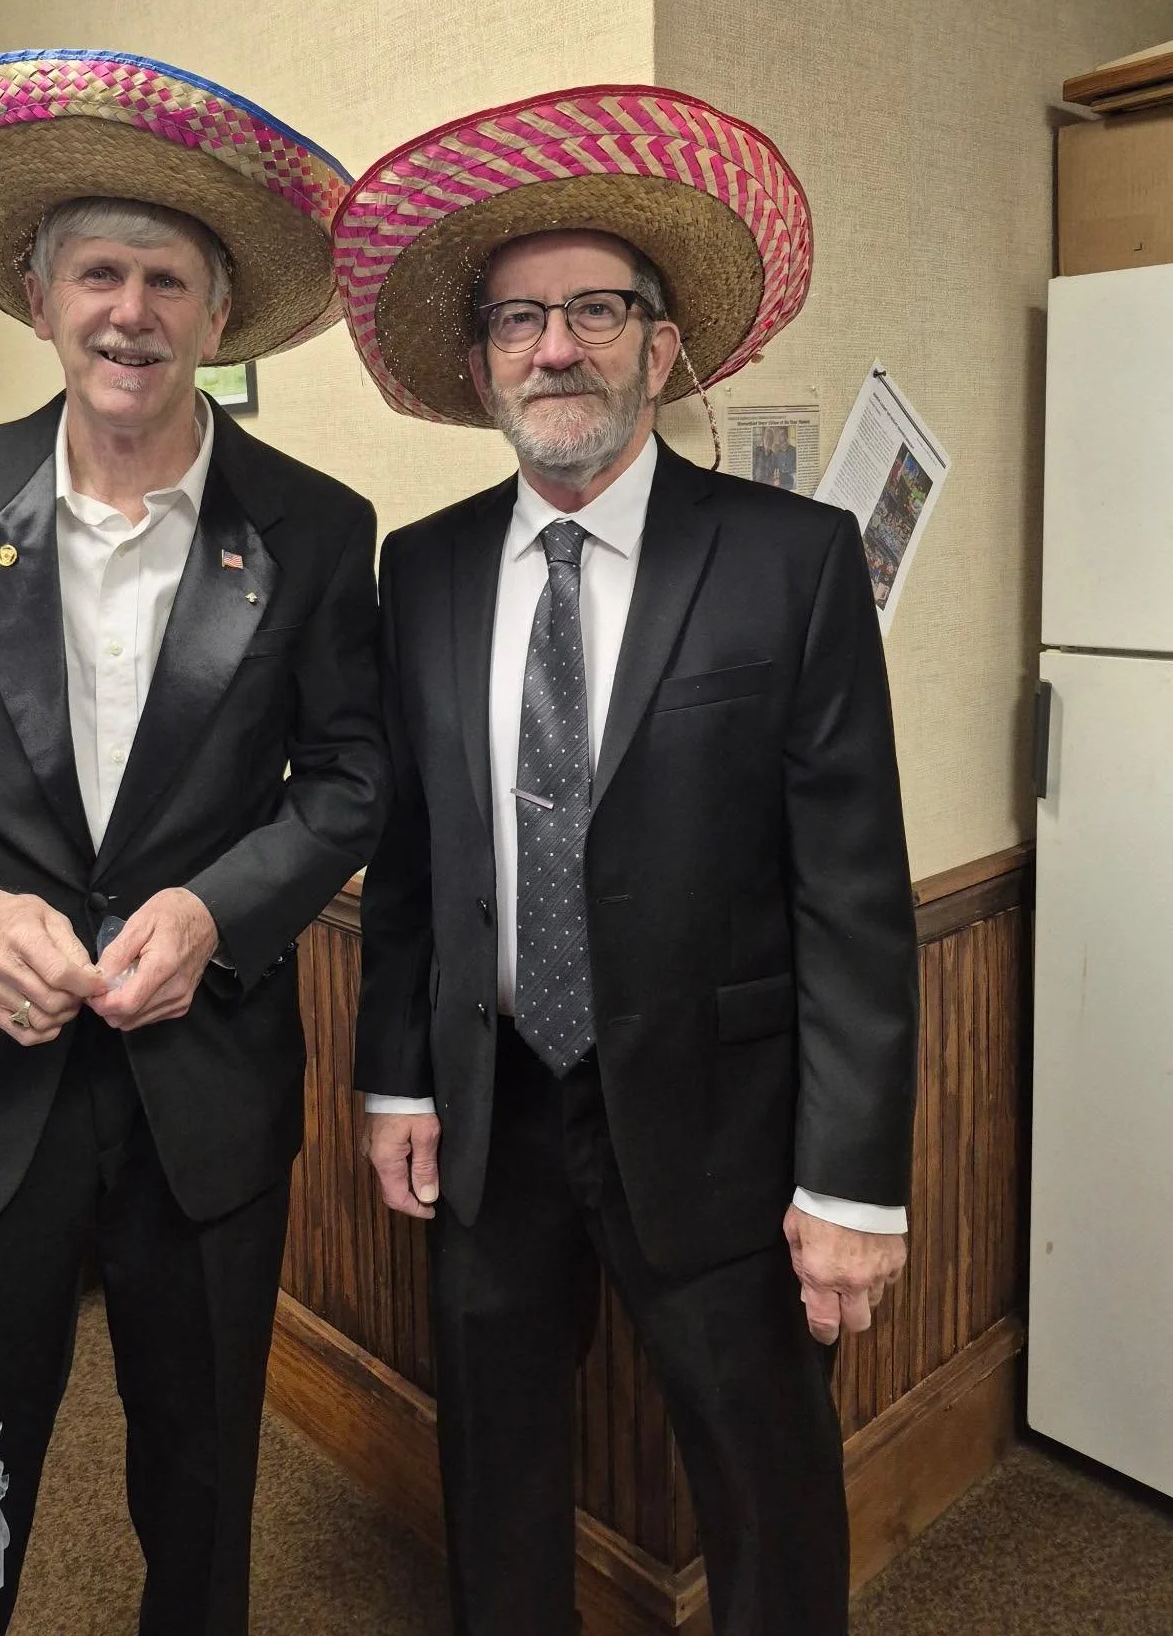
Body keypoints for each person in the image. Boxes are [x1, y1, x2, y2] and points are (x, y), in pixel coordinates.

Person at [0, 49, 389, 1634]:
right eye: (99, 275)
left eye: (168, 281)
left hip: (204, 1096)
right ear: (40, 294)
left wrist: (216, 911)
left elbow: (348, 779)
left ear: (218, 314)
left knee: (202, 1484)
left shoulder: (318, 527)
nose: (131, 313)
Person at [337, 85, 919, 1636]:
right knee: (498, 1478)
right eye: (519, 319)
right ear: (480, 364)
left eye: (597, 310)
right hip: (492, 1113)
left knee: (767, 1493)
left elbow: (855, 894)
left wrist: (853, 1180)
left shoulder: (792, 563)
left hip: (724, 1127)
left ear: (660, 349)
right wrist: (394, 1076)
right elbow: (412, 850)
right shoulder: (425, 569)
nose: (557, 348)